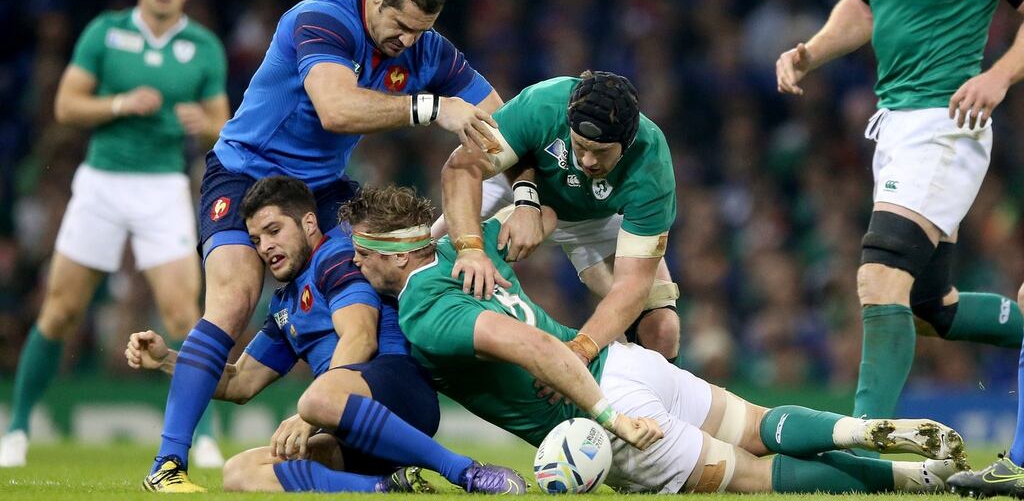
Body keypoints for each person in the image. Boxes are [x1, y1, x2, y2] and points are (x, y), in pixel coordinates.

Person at [342, 184, 969, 494]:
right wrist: (520, 202)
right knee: (756, 423)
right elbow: (550, 213)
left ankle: (919, 480)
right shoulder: (464, 246)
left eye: (359, 255)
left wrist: (606, 415)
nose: (355, 267)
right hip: (630, 362)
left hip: (598, 411)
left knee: (756, 477)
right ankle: (855, 431)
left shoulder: (422, 308)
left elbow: (534, 348)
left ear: (386, 256)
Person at [146, 0, 504, 490]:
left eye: (421, 31)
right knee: (235, 299)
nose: (408, 42)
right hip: (247, 170)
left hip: (324, 186)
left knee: (387, 273)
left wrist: (522, 189)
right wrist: (432, 108)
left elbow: (501, 122)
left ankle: (376, 424)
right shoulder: (324, 18)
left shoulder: (428, 48)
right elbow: (335, 109)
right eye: (401, 26)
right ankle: (168, 464)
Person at [775, 0, 1024, 458]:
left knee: (880, 273)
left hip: (947, 120)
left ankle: (859, 450)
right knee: (930, 309)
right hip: (894, 125)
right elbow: (864, 6)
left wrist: (999, 77)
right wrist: (810, 53)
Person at [128, 176, 526, 494]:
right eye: (255, 240)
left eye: (273, 231)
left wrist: (309, 413)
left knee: (319, 396)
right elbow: (239, 382)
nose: (265, 247)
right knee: (241, 472)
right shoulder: (283, 304)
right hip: (347, 427)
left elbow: (360, 338)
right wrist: (166, 360)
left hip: (398, 393)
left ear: (308, 222)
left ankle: (466, 473)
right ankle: (385, 487)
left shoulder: (334, 258)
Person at [0, 0, 229, 468]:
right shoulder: (105, 33)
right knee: (61, 311)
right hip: (102, 183)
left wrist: (205, 123)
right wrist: (122, 102)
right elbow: (65, 105)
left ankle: (208, 433)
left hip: (163, 188)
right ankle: (16, 428)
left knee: (182, 314)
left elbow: (224, 124)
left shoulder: (205, 46)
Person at [438, 71, 680, 366]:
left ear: (627, 142)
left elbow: (632, 287)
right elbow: (460, 167)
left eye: (601, 151)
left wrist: (580, 351)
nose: (588, 160)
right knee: (423, 260)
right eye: (580, 146)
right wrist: (471, 249)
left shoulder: (651, 166)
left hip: (593, 219)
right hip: (510, 185)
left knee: (661, 328)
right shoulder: (544, 104)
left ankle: (652, 410)